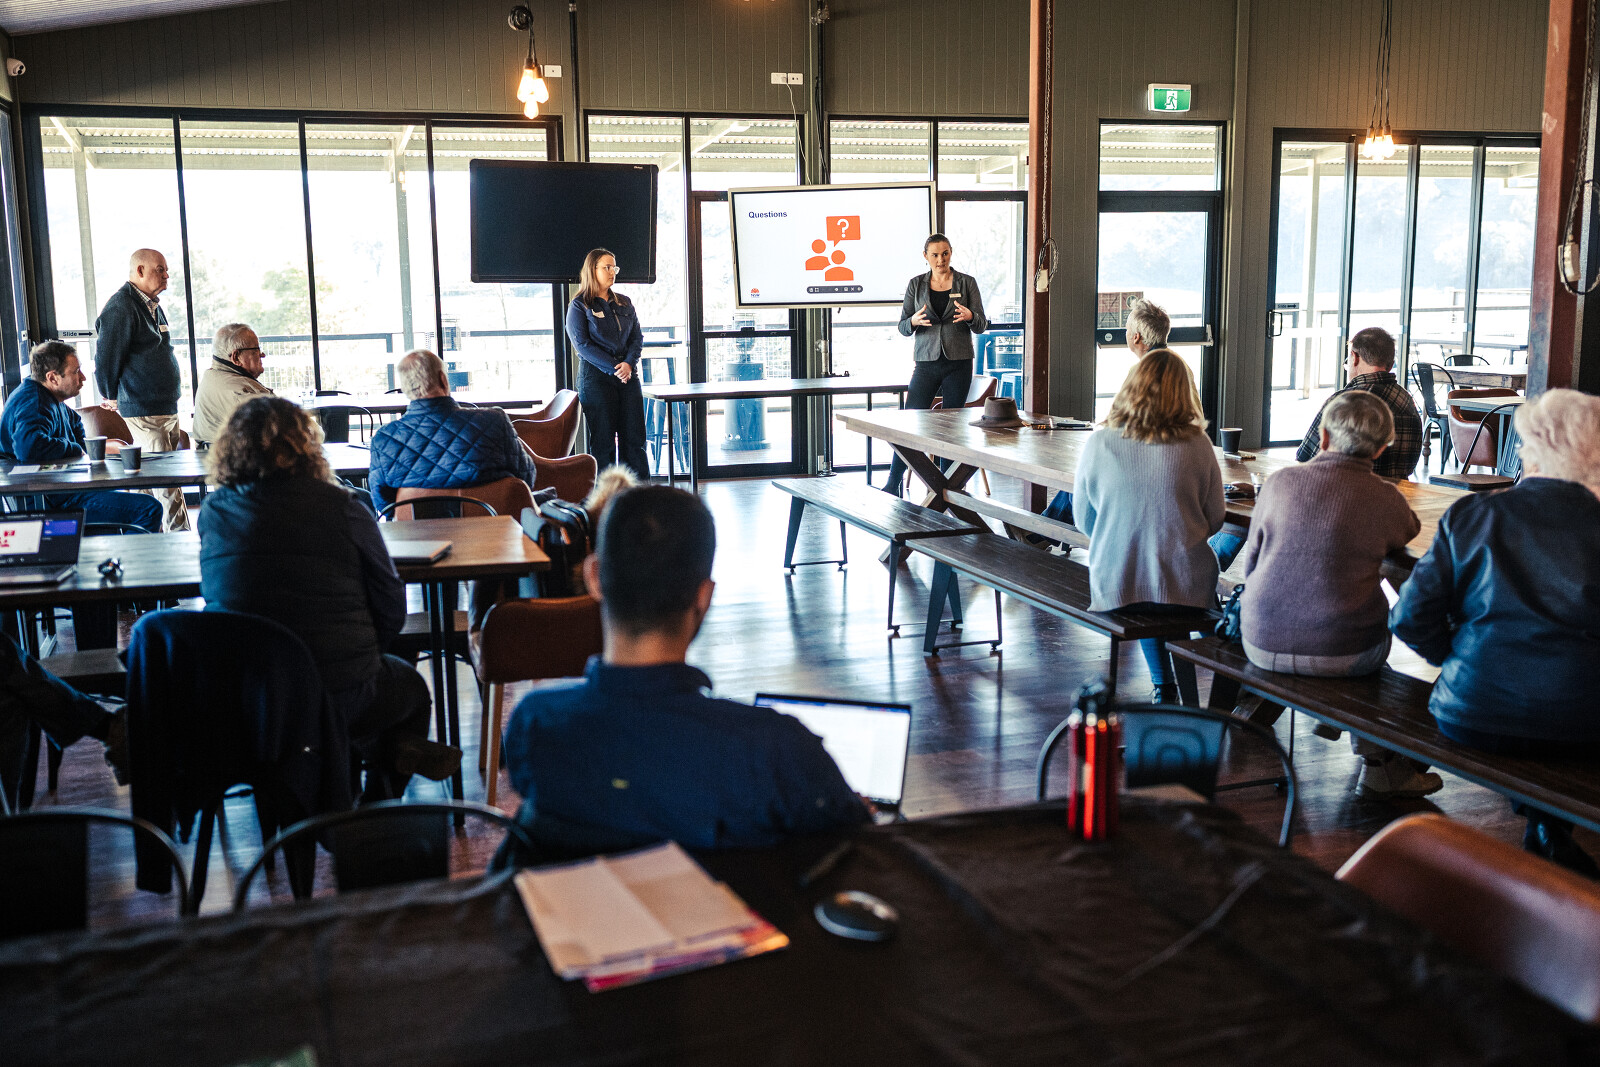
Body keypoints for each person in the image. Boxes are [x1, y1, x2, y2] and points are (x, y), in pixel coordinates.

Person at [502, 485, 869, 855]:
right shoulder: (776, 751)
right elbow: (857, 848)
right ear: (703, 595)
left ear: (594, 577)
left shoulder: (535, 725)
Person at [198, 396, 459, 801]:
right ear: (306, 446)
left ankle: (339, 768)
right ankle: (376, 807)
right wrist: (365, 653)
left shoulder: (213, 512)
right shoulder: (344, 508)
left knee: (348, 704)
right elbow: (391, 604)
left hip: (250, 697)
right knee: (410, 691)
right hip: (340, 687)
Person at [1391, 388, 1600, 873]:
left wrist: (1459, 658)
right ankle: (1549, 834)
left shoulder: (1474, 514)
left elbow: (1408, 617)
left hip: (1472, 709)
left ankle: (1544, 829)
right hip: (1585, 720)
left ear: (1532, 450)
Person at [1237, 390, 1434, 797]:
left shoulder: (1279, 482)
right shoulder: (1384, 497)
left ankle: (1348, 732)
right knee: (1373, 651)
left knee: (1350, 636)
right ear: (1380, 449)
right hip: (1343, 652)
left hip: (1259, 639)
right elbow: (1410, 529)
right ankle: (1380, 767)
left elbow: (1251, 564)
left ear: (1324, 437)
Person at [1075, 350, 1223, 701]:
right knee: (1164, 576)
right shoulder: (1198, 444)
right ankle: (1225, 690)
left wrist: (1123, 535)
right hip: (1187, 590)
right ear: (1184, 393)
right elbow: (1216, 517)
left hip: (1116, 585)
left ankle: (1164, 686)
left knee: (1143, 577)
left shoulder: (1100, 442)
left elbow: (1084, 520)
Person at [0, 341, 163, 534]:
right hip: (47, 502)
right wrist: (74, 448)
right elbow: (29, 447)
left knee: (117, 509)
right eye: (76, 371)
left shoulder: (49, 399)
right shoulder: (33, 401)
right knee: (149, 509)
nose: (83, 378)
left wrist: (77, 446)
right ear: (52, 378)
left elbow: (76, 425)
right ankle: (127, 553)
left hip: (60, 491)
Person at [1040, 298, 1170, 525]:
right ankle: (1044, 531)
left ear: (1136, 337)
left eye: (1127, 329)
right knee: (1083, 476)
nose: (1126, 333)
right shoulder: (1179, 367)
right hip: (1164, 456)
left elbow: (1119, 423)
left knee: (1084, 473)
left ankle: (1043, 532)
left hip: (1144, 463)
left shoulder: (1142, 370)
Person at [883, 233, 989, 496]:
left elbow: (981, 325)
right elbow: (903, 327)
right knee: (909, 422)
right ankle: (894, 482)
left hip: (958, 363)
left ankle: (947, 488)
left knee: (951, 428)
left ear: (951, 252)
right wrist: (914, 321)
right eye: (935, 255)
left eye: (945, 253)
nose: (941, 259)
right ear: (926, 256)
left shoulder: (967, 282)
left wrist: (970, 315)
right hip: (926, 362)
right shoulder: (916, 285)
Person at [366, 349, 536, 509]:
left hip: (418, 530)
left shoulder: (383, 439)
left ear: (405, 388)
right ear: (443, 379)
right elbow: (527, 477)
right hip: (497, 526)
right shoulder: (495, 421)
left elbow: (383, 505)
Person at [93, 248, 188, 531]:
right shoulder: (121, 307)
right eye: (160, 269)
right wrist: (111, 395)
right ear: (140, 271)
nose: (167, 275)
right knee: (166, 481)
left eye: (166, 269)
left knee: (148, 480)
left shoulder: (151, 304)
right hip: (144, 408)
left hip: (164, 407)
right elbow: (106, 358)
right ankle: (180, 542)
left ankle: (147, 538)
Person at [1296, 326, 1422, 480]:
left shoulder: (1343, 401)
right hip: (1396, 491)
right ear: (1390, 365)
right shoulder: (1407, 400)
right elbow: (1410, 464)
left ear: (1354, 357)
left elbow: (1306, 458)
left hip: (1342, 490)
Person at [565, 249, 648, 480]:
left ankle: (638, 494)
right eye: (607, 267)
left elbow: (637, 338)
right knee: (604, 443)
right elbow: (583, 346)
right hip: (596, 380)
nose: (613, 272)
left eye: (614, 267)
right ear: (593, 270)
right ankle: (607, 496)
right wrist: (615, 367)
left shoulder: (624, 302)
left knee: (635, 440)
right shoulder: (579, 305)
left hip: (628, 376)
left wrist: (628, 364)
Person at [192, 323, 273, 446]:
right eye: (256, 350)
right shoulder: (242, 394)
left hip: (216, 454)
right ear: (236, 357)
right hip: (238, 456)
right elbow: (279, 428)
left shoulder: (212, 376)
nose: (262, 355)